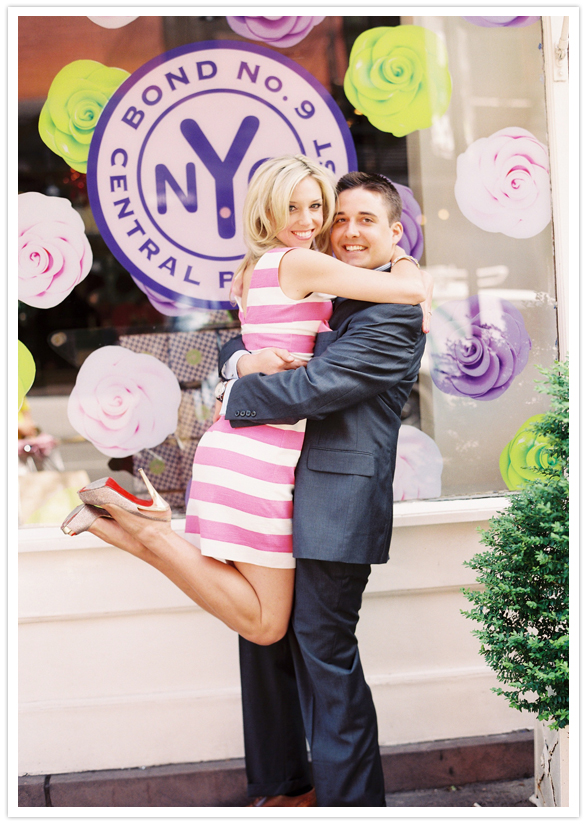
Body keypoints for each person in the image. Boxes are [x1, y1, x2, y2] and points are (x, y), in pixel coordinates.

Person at [60, 156, 425, 654]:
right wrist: (404, 257)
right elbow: (408, 289)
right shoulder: (301, 262)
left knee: (257, 614)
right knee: (266, 623)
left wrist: (244, 366)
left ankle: (123, 529)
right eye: (292, 207)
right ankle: (152, 532)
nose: (309, 221)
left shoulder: (255, 267)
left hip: (242, 449)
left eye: (317, 206)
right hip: (261, 456)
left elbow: (246, 343)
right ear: (267, 212)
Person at [216, 170, 428, 807]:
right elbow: (253, 336)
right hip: (276, 491)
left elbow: (314, 387)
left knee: (324, 656)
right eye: (342, 219)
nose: (348, 230)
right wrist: (240, 360)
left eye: (366, 220)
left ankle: (353, 808)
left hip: (335, 508)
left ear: (396, 234)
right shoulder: (327, 286)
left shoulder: (394, 313)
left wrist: (234, 391)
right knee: (262, 639)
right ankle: (285, 789)